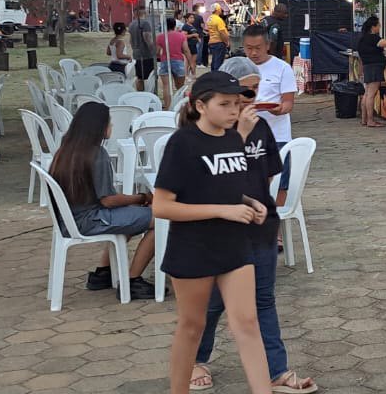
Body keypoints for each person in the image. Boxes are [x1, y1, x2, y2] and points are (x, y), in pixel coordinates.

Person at [190, 59, 317, 393]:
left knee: (263, 300)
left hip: (258, 228)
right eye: (239, 92)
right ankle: (195, 359)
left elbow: (268, 172)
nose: (247, 98)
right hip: (219, 229)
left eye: (253, 90)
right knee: (215, 301)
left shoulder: (260, 126)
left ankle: (276, 370)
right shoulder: (205, 128)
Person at [153, 71, 274, 394]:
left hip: (234, 245)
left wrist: (250, 202)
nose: (233, 111)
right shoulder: (183, 143)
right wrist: (223, 210)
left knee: (247, 323)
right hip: (193, 248)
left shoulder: (233, 138)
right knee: (192, 327)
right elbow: (161, 207)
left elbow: (225, 188)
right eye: (224, 104)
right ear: (200, 105)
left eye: (236, 103)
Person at [46, 102, 158, 300]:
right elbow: (108, 201)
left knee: (130, 217)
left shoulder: (65, 150)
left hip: (71, 219)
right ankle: (132, 280)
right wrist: (142, 198)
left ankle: (103, 273)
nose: (111, 127)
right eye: (109, 123)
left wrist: (132, 203)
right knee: (160, 217)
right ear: (99, 127)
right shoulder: (96, 154)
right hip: (90, 219)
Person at [241, 25, 299, 204]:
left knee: (280, 181)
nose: (253, 53)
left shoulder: (282, 68)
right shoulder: (240, 68)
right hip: (245, 134)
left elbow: (288, 102)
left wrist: (279, 109)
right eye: (248, 48)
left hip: (277, 134)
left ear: (268, 45)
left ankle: (276, 222)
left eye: (257, 48)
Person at [355, 16, 386, 128]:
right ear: (373, 27)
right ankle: (370, 120)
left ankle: (364, 119)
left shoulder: (362, 39)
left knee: (367, 93)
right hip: (375, 67)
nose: (380, 27)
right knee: (371, 94)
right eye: (379, 25)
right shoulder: (373, 38)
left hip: (367, 66)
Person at [157, 17, 193, 97]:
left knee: (166, 87)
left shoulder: (160, 37)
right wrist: (191, 63)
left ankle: (167, 107)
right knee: (180, 88)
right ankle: (180, 106)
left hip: (165, 61)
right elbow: (186, 50)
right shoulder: (181, 36)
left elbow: (157, 52)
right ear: (174, 25)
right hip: (178, 61)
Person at [129, 13, 157, 91]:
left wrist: (134, 49)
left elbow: (130, 40)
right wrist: (153, 51)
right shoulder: (145, 23)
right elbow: (147, 37)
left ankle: (140, 93)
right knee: (151, 77)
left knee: (139, 77)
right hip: (146, 55)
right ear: (144, 12)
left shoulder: (132, 24)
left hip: (137, 54)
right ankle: (150, 94)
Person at [206, 5, 231, 71]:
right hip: (219, 42)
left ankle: (213, 74)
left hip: (212, 42)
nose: (220, 10)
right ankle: (217, 76)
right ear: (217, 10)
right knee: (218, 62)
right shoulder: (218, 20)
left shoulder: (209, 18)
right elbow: (222, 32)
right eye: (220, 8)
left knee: (214, 60)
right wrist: (226, 42)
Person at [183, 12, 204, 78]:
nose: (193, 19)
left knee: (193, 60)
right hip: (188, 45)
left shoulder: (193, 26)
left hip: (194, 44)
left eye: (193, 18)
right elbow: (184, 36)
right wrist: (193, 35)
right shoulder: (185, 26)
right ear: (187, 19)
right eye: (191, 18)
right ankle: (186, 75)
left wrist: (198, 38)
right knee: (188, 61)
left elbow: (196, 34)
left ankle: (192, 73)